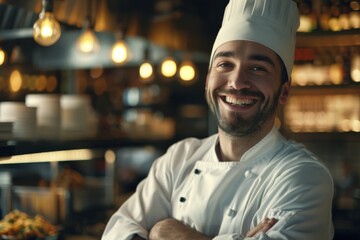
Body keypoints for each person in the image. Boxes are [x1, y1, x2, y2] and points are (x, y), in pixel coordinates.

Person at [102, 0, 334, 239]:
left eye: (257, 68)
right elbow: (118, 230)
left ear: (284, 92)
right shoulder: (179, 158)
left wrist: (164, 231)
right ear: (207, 80)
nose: (236, 82)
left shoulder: (303, 176)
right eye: (225, 64)